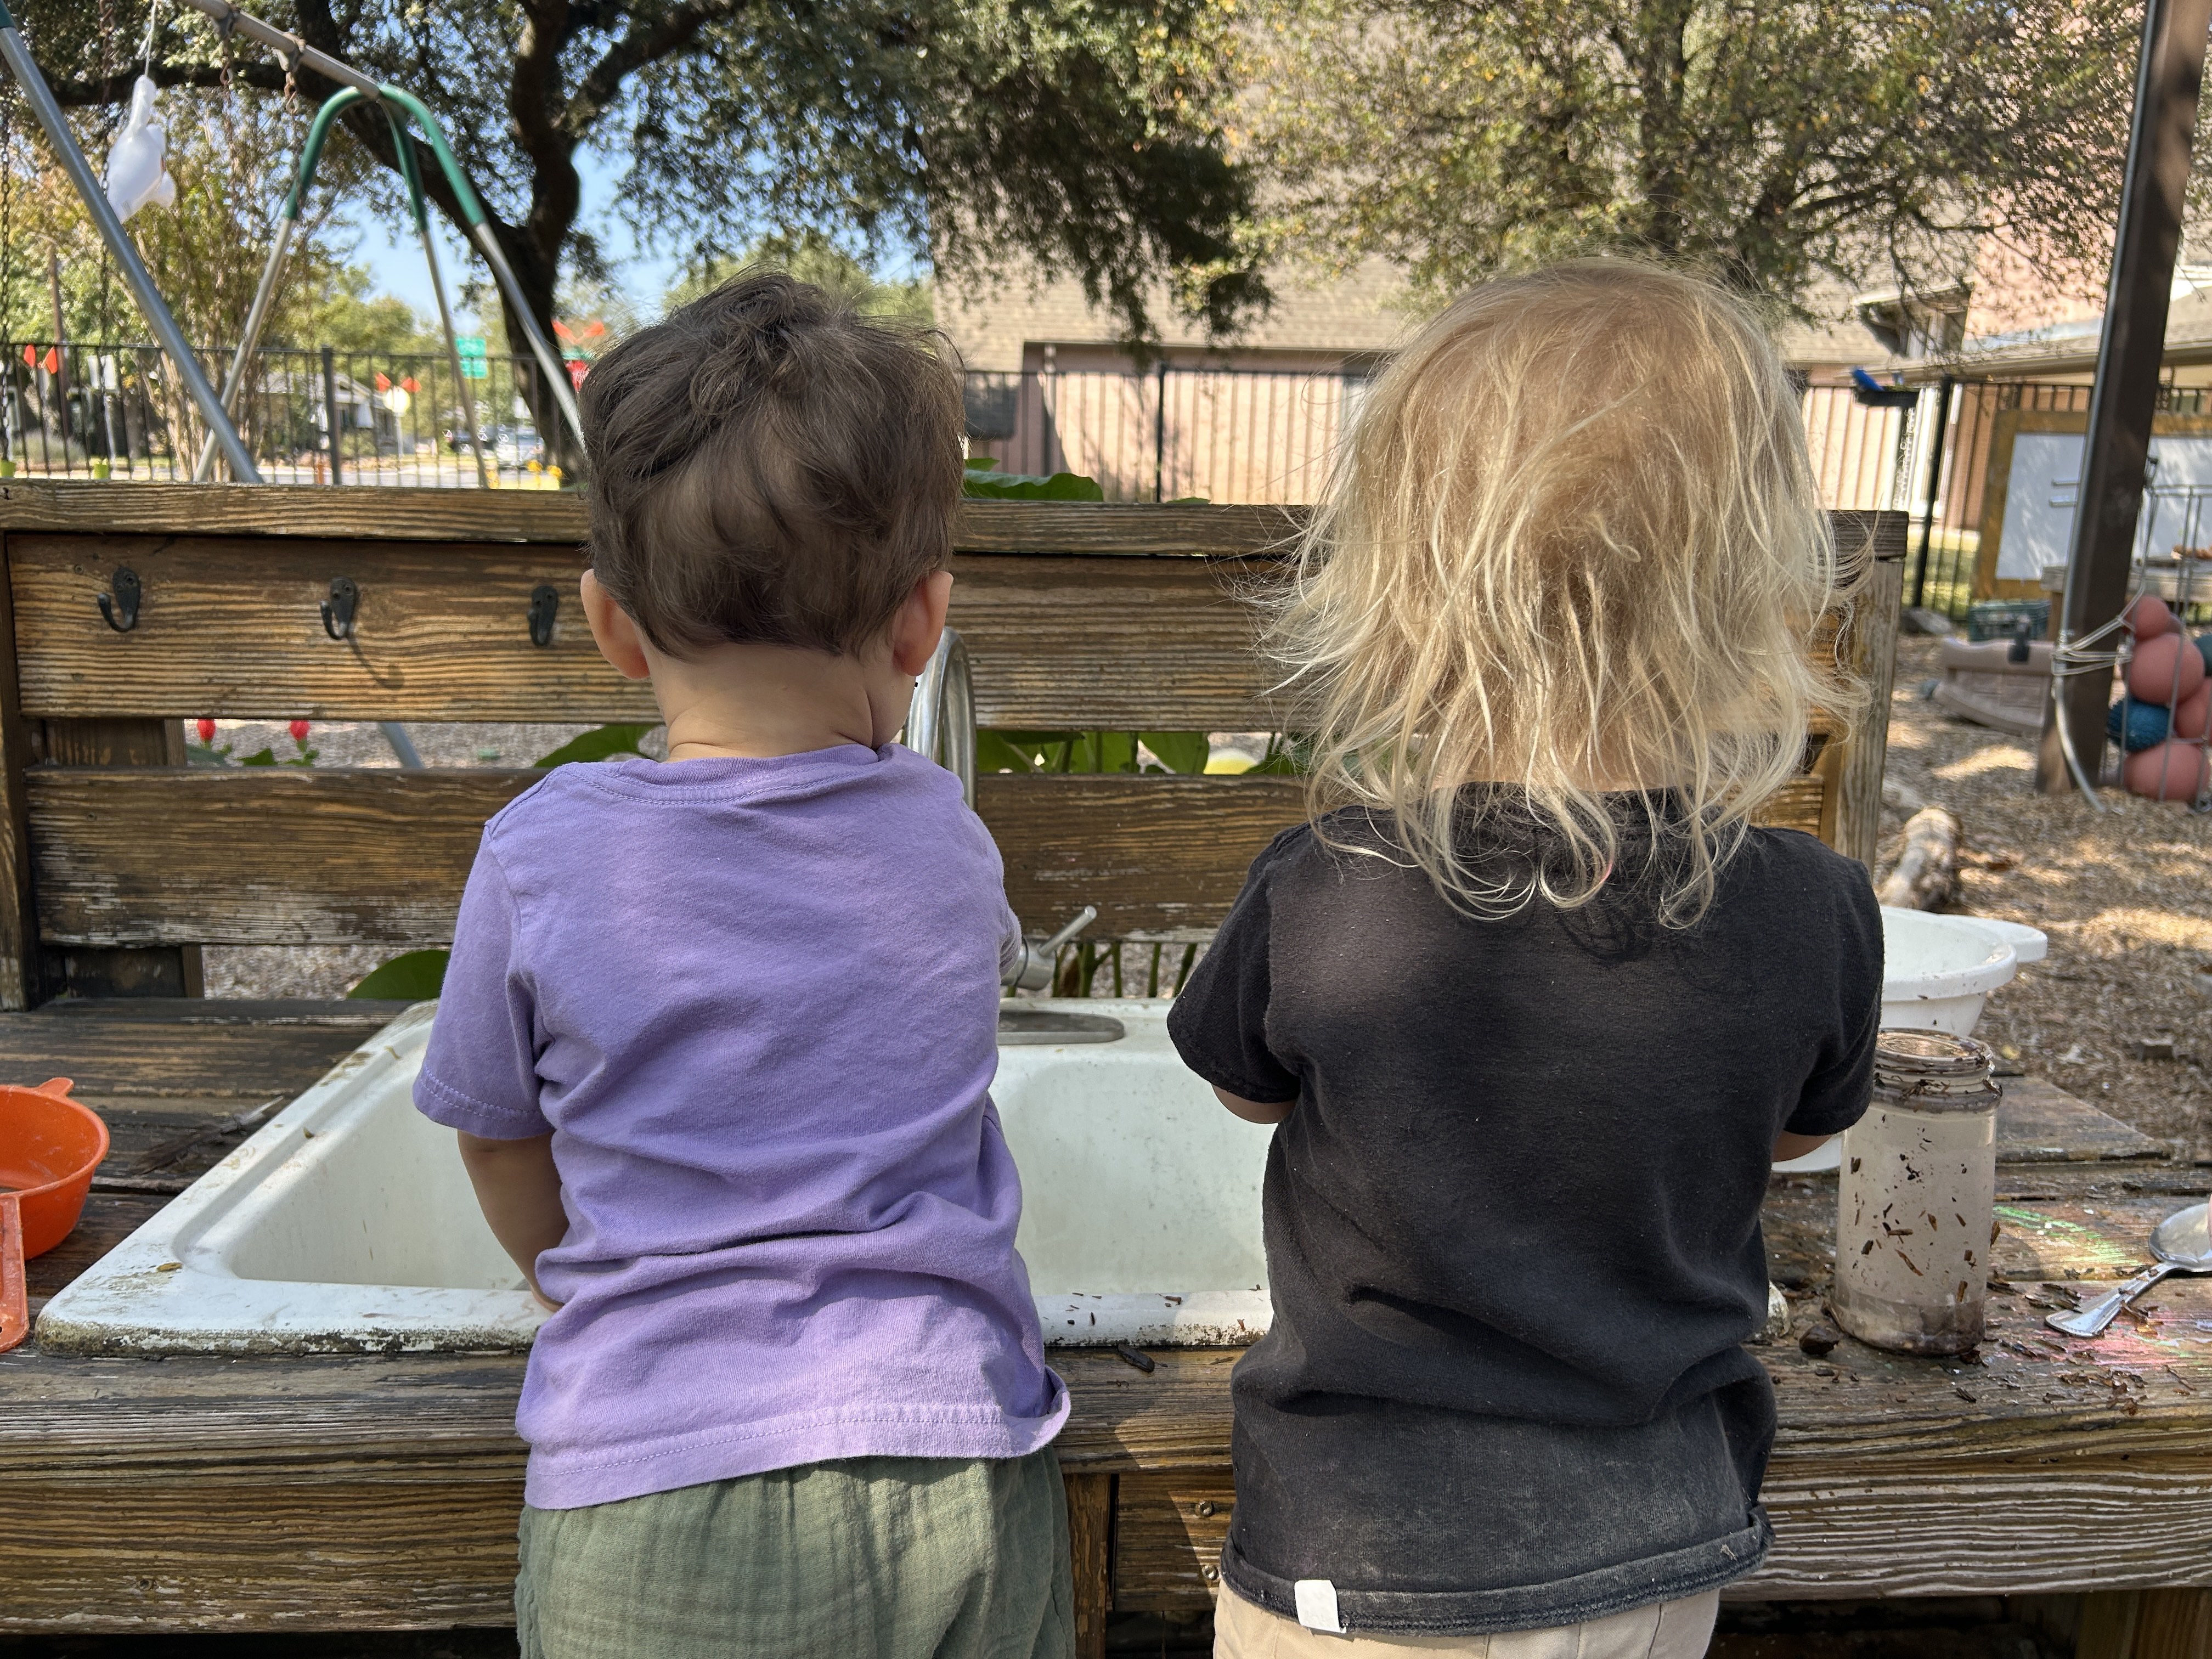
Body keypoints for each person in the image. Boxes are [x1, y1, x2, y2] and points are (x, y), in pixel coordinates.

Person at [1167, 261, 1883, 1658]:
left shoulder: (1327, 886)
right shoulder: (1816, 906)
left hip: (1366, 1564)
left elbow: (1245, 1092)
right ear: (1748, 590)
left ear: (1406, 594)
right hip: (1657, 1550)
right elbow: (1796, 1134)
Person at [414, 273, 1071, 1659]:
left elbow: (496, 1138)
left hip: (647, 1490)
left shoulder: (541, 854)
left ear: (610, 625)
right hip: (955, 1454)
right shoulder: (946, 839)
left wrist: (570, 1280)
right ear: (922, 623)